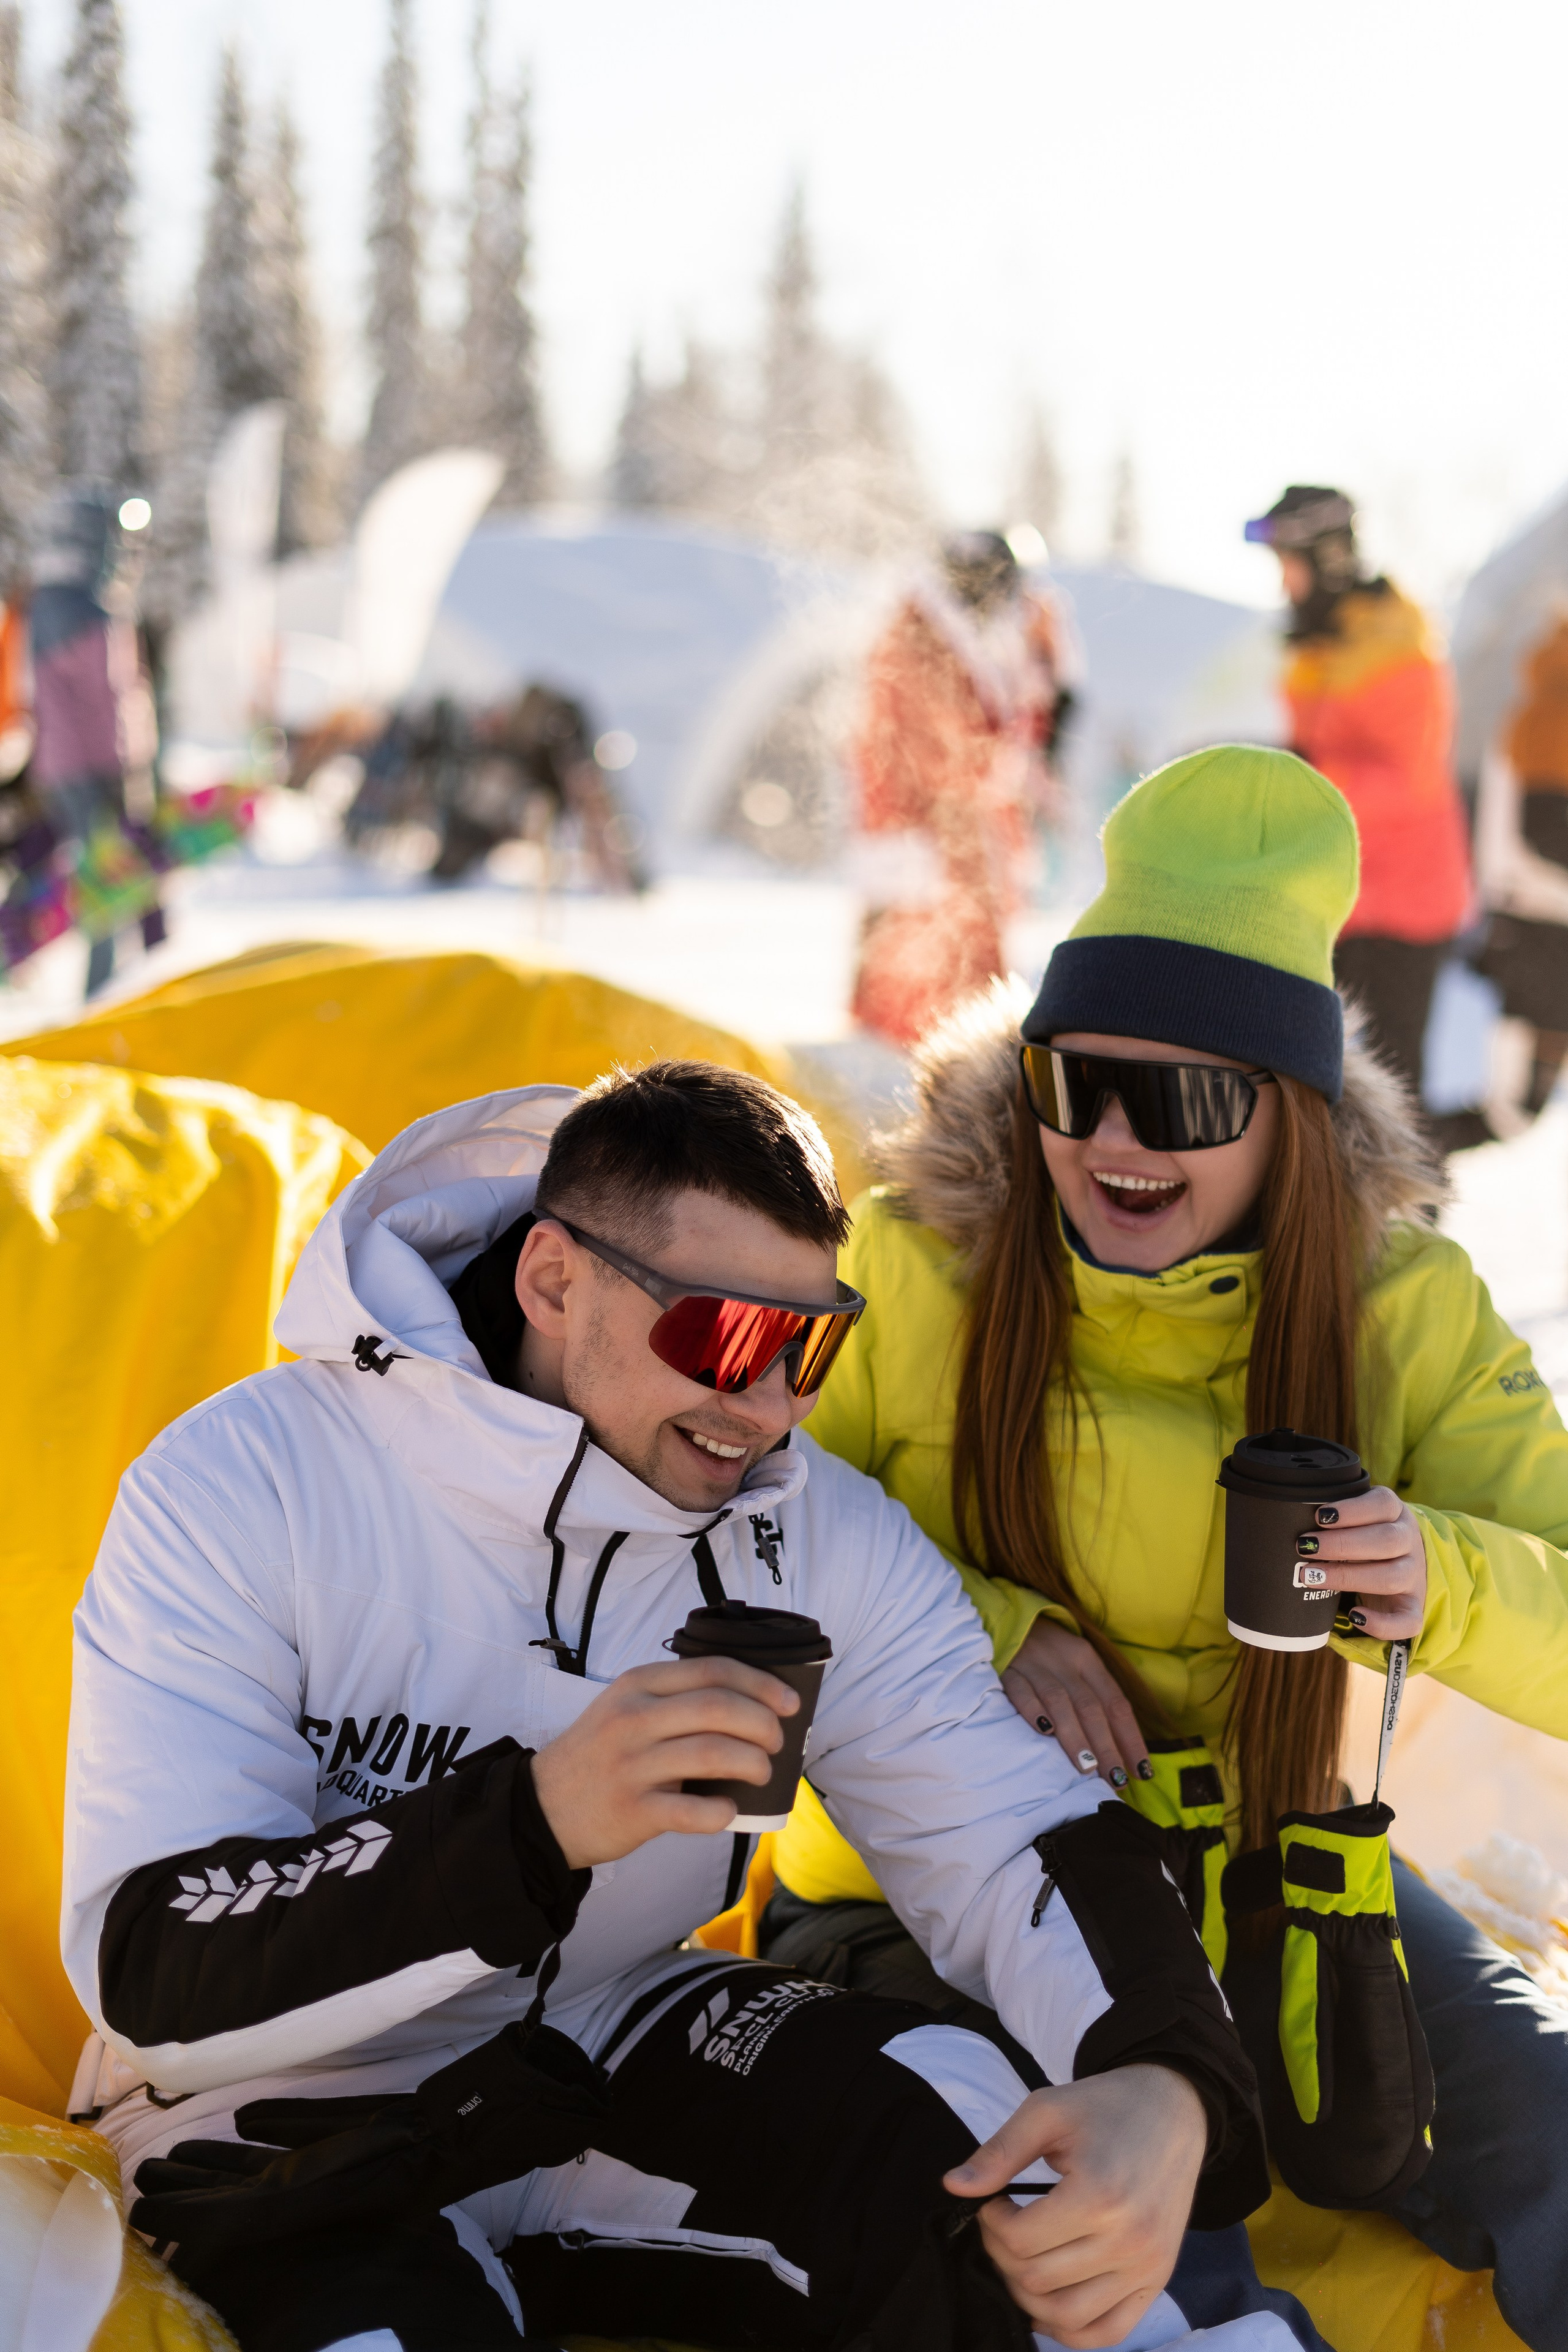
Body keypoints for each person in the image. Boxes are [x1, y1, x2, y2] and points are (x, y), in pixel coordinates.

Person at [63, 1060, 1304, 2352]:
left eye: (809, 1346)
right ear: (553, 1282)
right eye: (722, 1336)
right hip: (256, 2106)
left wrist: (1164, 2079)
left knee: (970, 2137)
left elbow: (1010, 1835)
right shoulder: (247, 1476)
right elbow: (150, 1963)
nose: (765, 1407)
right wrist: (534, 1824)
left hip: (604, 2026)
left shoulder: (808, 1530)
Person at [769, 745, 1568, 2352]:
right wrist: (982, 1624)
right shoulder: (914, 1266)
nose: (1114, 1142)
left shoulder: (1399, 1316)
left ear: (1286, 1116)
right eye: (1077, 1083)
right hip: (933, 1891)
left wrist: (1440, 1576)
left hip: (1278, 1880)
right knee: (1128, 2271)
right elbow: (729, 1528)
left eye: (1187, 1099)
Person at [1245, 486, 1472, 1104]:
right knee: (1326, 1077)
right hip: (1342, 895)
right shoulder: (1318, 647)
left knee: (1394, 1086)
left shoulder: (1400, 649)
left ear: (1328, 560)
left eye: (1291, 566)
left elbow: (1408, 781)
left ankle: (1406, 1204)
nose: (1284, 584)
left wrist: (1306, 773)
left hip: (1406, 902)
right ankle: (1333, 1201)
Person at [850, 529, 1075, 1049]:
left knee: (954, 966)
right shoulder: (923, 640)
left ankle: (944, 1047)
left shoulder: (945, 633)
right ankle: (929, 1053)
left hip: (951, 831)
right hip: (930, 833)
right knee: (926, 976)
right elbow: (950, 757)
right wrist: (1013, 751)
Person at [1462, 610, 1568, 1139]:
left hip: (1537, 923)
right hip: (1538, 929)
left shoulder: (1548, 697)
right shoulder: (1555, 710)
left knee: (1514, 1109)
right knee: (1511, 1112)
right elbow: (1548, 834)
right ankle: (1387, 1192)